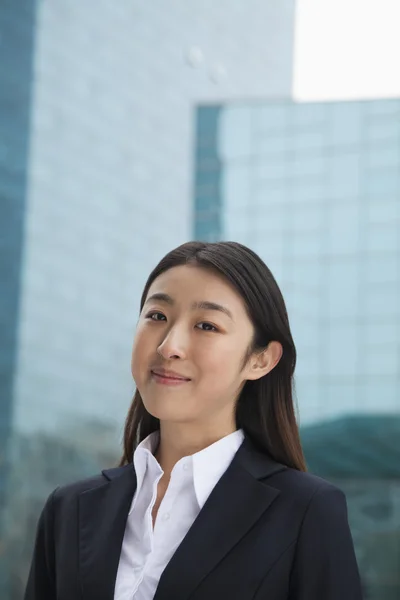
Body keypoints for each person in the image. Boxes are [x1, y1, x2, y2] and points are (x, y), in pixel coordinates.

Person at [24, 241, 363, 600]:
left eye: (206, 325)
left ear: (261, 360)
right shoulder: (70, 508)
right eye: (157, 316)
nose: (170, 346)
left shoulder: (307, 511)